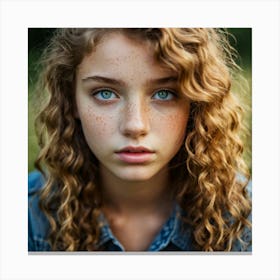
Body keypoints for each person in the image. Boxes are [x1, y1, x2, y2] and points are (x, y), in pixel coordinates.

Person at [28, 28, 252, 252]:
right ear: (71, 100)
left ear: (196, 103)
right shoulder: (29, 216)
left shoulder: (246, 219)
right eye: (105, 93)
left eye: (164, 93)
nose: (135, 126)